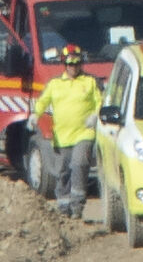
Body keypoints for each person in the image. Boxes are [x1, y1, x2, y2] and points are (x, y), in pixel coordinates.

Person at [29, 44, 102, 219]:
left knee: (79, 164)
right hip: (61, 137)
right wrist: (35, 115)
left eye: (77, 63)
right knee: (62, 172)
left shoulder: (90, 82)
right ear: (64, 64)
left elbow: (100, 101)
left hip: (84, 133)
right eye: (70, 63)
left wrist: (95, 115)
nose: (73, 67)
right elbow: (42, 101)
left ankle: (77, 206)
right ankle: (63, 207)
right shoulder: (55, 84)